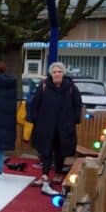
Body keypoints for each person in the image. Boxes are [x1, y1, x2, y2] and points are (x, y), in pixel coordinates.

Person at [28, 62, 82, 195]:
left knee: (60, 151)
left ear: (63, 73)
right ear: (51, 74)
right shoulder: (44, 86)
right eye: (54, 72)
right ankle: (45, 175)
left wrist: (74, 120)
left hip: (64, 126)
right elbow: (35, 104)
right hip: (46, 125)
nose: (57, 74)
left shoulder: (71, 87)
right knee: (45, 151)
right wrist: (35, 119)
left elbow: (77, 105)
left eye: (59, 72)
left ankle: (58, 174)